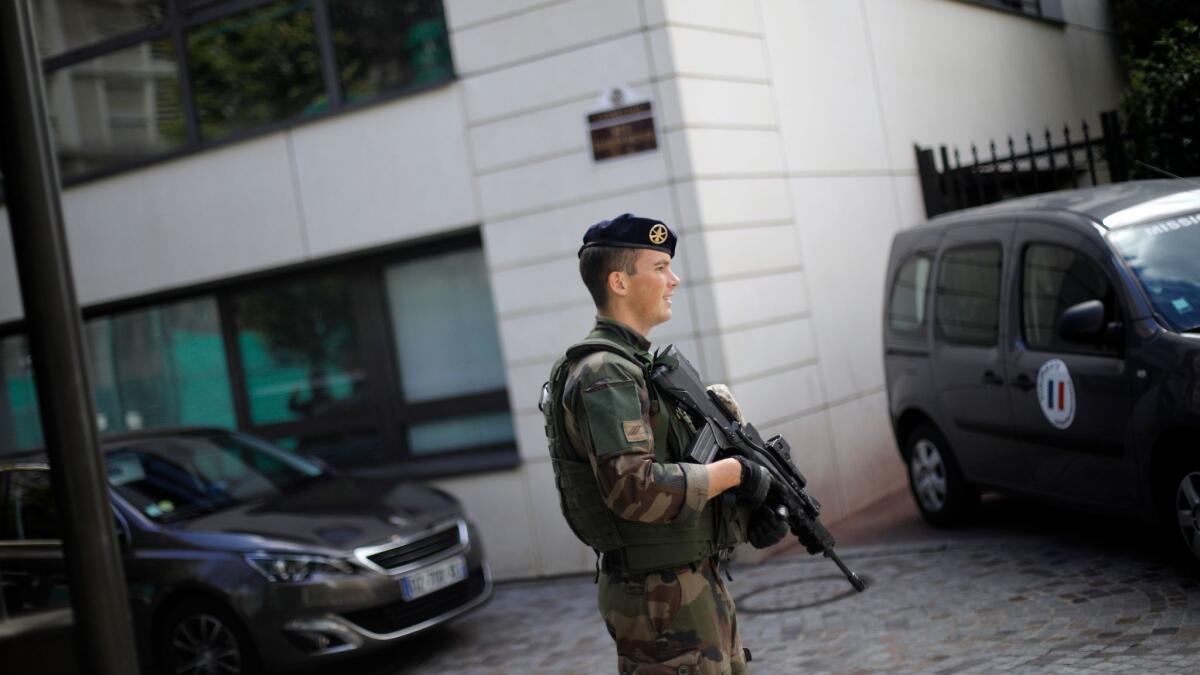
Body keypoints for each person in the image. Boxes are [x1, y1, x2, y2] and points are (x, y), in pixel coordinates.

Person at [541, 213, 789, 675]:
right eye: (659, 268)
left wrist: (744, 513)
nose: (673, 280)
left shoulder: (637, 367)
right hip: (661, 602)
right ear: (618, 281)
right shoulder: (605, 373)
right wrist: (737, 473)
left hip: (689, 585)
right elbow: (636, 490)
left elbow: (679, 468)